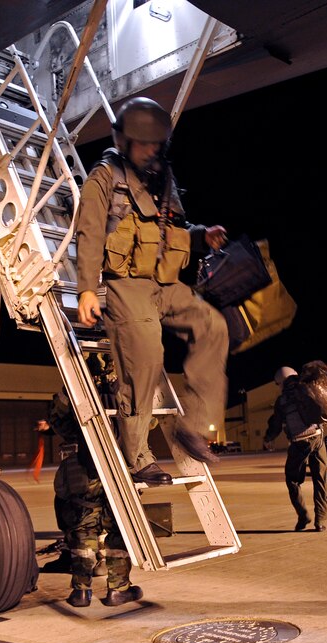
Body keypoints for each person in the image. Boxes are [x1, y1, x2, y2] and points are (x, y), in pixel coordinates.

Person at [74, 96, 230, 485]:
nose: (151, 150)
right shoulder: (104, 177)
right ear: (124, 142)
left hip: (164, 282)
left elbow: (169, 229)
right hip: (125, 284)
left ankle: (192, 426)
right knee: (145, 357)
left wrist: (200, 236)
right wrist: (86, 290)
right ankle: (137, 454)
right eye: (144, 144)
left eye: (156, 144)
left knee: (213, 326)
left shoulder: (161, 178)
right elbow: (89, 233)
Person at [48, 390, 140, 608]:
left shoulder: (76, 395)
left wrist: (66, 392)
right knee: (118, 532)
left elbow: (55, 417)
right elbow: (145, 423)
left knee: (83, 531)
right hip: (114, 470)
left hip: (81, 473)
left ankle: (81, 592)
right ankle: (118, 590)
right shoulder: (121, 393)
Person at [264, 365, 327, 532]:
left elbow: (276, 425)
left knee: (292, 480)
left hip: (299, 442)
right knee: (320, 479)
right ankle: (320, 521)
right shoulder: (308, 389)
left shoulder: (282, 401)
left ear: (280, 383)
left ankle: (303, 515)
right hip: (318, 438)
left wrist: (268, 438)